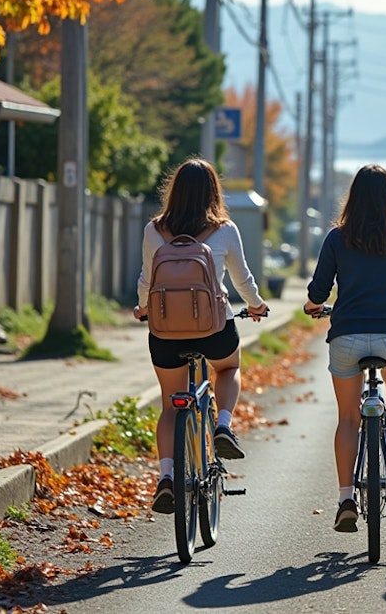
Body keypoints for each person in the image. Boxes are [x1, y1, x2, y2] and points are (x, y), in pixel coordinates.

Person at [303, 163, 386, 533]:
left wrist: (314, 306)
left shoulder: (337, 238)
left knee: (348, 418)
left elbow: (318, 290)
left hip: (346, 337)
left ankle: (346, 498)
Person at [134, 158, 269, 514]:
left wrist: (142, 307)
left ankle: (166, 477)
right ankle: (223, 424)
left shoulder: (154, 230)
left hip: (165, 333)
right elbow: (243, 279)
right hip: (214, 329)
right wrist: (256, 305)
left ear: (174, 191)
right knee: (227, 368)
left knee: (169, 405)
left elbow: (147, 279)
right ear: (214, 191)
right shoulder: (224, 229)